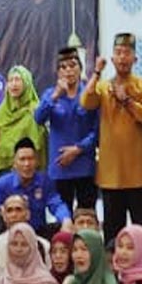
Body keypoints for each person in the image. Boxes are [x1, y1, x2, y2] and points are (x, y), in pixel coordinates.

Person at [82, 33, 142, 241]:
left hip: (140, 174)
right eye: (118, 53)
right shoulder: (103, 86)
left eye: (127, 53)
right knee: (112, 235)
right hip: (111, 175)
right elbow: (86, 102)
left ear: (135, 59)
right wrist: (97, 72)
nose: (122, 57)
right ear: (112, 59)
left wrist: (127, 101)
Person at [34, 47, 99, 210]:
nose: (68, 70)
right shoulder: (50, 94)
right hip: (60, 168)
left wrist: (78, 149)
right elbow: (38, 118)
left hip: (85, 166)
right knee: (63, 217)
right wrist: (56, 95)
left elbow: (98, 130)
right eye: (63, 67)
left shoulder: (90, 94)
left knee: (87, 215)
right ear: (58, 72)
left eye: (72, 65)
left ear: (80, 69)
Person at [0, 139, 72, 233]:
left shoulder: (44, 181)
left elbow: (56, 204)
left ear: (36, 161)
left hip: (38, 232)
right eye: (22, 159)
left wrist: (66, 219)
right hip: (10, 233)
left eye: (30, 159)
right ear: (14, 163)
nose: (27, 164)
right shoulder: (2, 184)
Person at [0, 195, 51, 284]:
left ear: (28, 214)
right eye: (9, 211)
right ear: (4, 216)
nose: (14, 215)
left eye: (18, 210)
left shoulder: (43, 245)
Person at [0, 66, 47, 175]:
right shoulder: (3, 110)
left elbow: (39, 143)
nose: (14, 84)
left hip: (28, 169)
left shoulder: (35, 110)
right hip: (5, 168)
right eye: (10, 80)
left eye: (18, 80)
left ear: (26, 83)